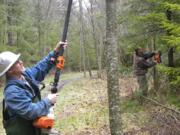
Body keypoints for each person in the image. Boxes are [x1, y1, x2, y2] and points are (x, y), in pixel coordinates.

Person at [0, 41, 67, 135]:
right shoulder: (12, 92)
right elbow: (31, 111)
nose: (21, 62)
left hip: (36, 130)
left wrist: (55, 52)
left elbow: (40, 68)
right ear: (10, 70)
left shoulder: (25, 76)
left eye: (19, 60)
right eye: (17, 62)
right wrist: (48, 101)